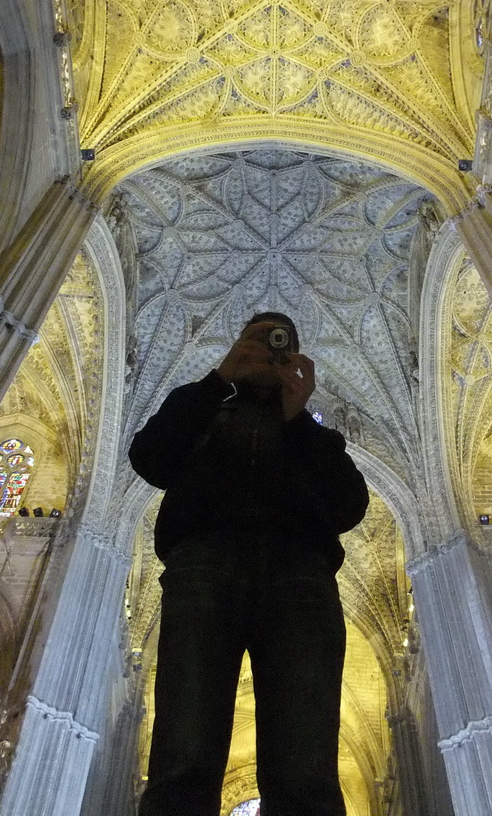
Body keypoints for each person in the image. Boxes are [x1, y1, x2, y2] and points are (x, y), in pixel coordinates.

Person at [129, 312, 369, 816]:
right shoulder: (201, 404)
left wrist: (298, 418)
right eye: (256, 338)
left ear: (296, 358)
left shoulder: (311, 432)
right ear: (236, 345)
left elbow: (349, 507)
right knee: (183, 755)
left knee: (305, 769)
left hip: (300, 576)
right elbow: (151, 460)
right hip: (203, 566)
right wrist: (218, 381)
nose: (268, 348)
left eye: (280, 342)